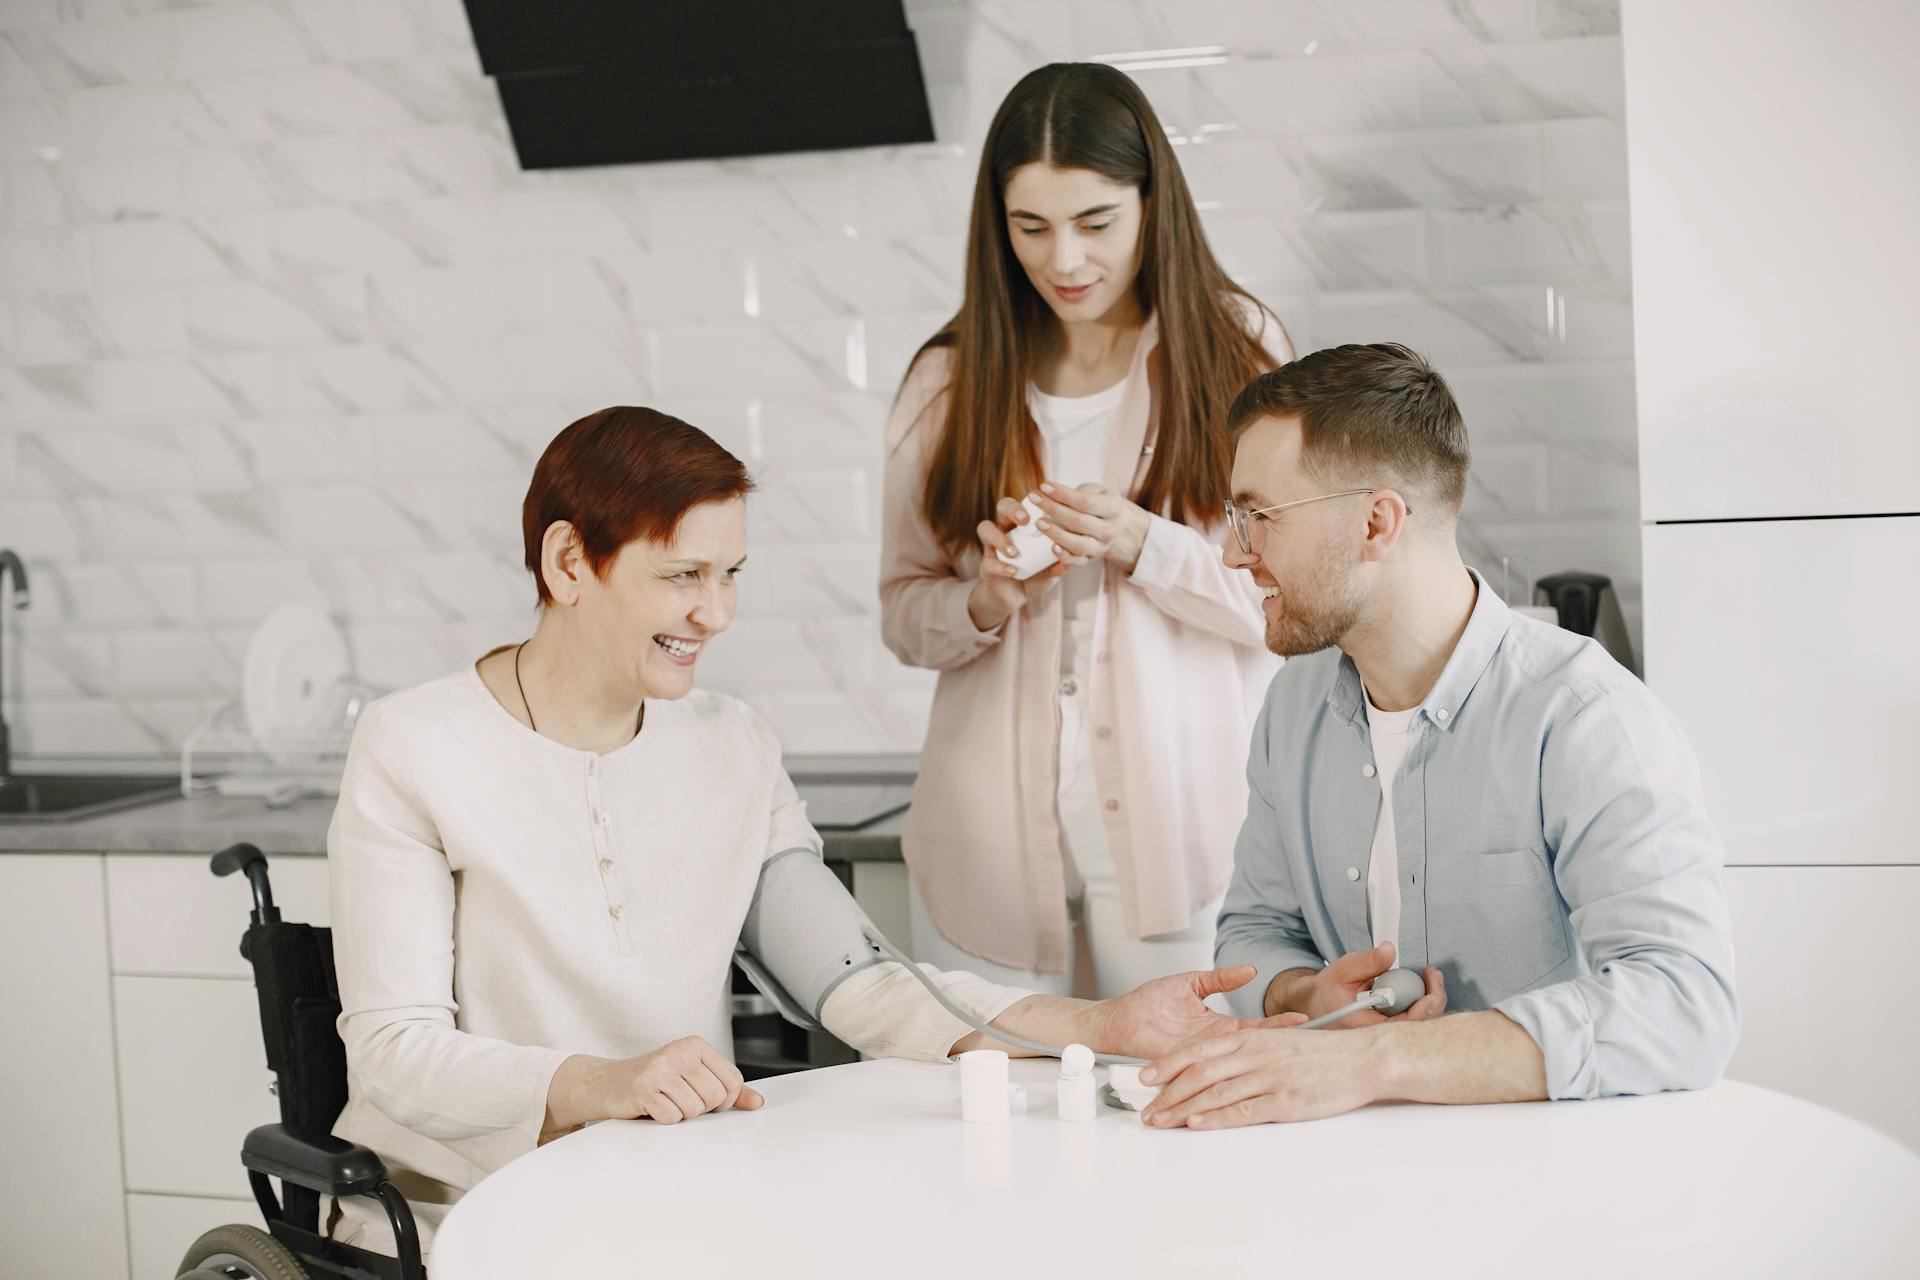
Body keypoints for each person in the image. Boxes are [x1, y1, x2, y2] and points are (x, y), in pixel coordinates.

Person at [325, 406, 1290, 1253]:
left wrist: (1100, 1026)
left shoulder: (730, 746)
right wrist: (599, 1084)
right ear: (570, 561)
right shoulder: (415, 745)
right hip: (466, 1209)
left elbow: (864, 984)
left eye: (731, 573)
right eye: (683, 575)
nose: (716, 611)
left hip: (664, 1199)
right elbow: (395, 1052)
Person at [1136, 344, 1739, 1130]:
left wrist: (1373, 1062)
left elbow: (1685, 1006)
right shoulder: (1293, 710)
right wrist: (1305, 995)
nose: (1234, 552)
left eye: (1259, 517)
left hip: (1560, 1199)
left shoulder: (1587, 719)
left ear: (1376, 522)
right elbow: (1255, 932)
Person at [881, 61, 1293, 999]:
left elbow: (1285, 597)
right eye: (1031, 227)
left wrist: (1144, 544)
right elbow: (902, 610)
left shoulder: (1237, 353)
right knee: (990, 1115)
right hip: (986, 838)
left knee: (1183, 1106)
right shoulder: (946, 380)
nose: (1064, 260)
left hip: (1180, 829)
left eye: (1096, 222)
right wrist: (984, 598)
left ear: (1153, 204)